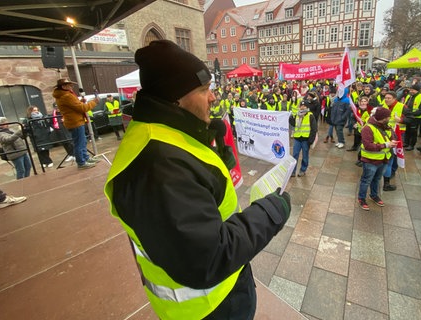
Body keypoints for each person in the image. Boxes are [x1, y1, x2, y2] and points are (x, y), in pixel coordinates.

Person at [104, 40, 291, 319]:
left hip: (218, 295)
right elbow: (208, 258)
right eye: (204, 90)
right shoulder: (158, 166)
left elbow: (194, 199)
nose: (213, 98)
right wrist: (270, 212)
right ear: (176, 99)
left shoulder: (160, 134)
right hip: (209, 308)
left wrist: (211, 151)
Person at [52, 79, 100, 169]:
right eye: (69, 85)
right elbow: (82, 108)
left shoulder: (62, 95)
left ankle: (85, 158)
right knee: (79, 143)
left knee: (82, 141)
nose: (71, 87)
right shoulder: (67, 96)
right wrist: (94, 102)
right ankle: (81, 162)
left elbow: (73, 107)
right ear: (63, 87)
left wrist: (80, 102)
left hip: (74, 121)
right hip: (75, 122)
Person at [357, 107, 398, 211]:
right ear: (383, 118)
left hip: (383, 159)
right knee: (366, 180)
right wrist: (385, 145)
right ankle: (361, 198)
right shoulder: (368, 128)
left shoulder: (387, 126)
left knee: (377, 179)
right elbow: (368, 145)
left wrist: (393, 141)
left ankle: (374, 195)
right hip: (371, 160)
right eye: (388, 116)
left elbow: (393, 137)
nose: (390, 118)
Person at [290, 100, 317, 177]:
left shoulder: (310, 115)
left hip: (306, 139)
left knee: (305, 156)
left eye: (304, 106)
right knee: (295, 155)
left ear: (307, 107)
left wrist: (311, 140)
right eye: (301, 106)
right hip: (297, 138)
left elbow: (314, 128)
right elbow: (293, 123)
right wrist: (291, 117)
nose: (302, 107)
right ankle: (293, 171)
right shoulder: (297, 115)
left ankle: (303, 170)